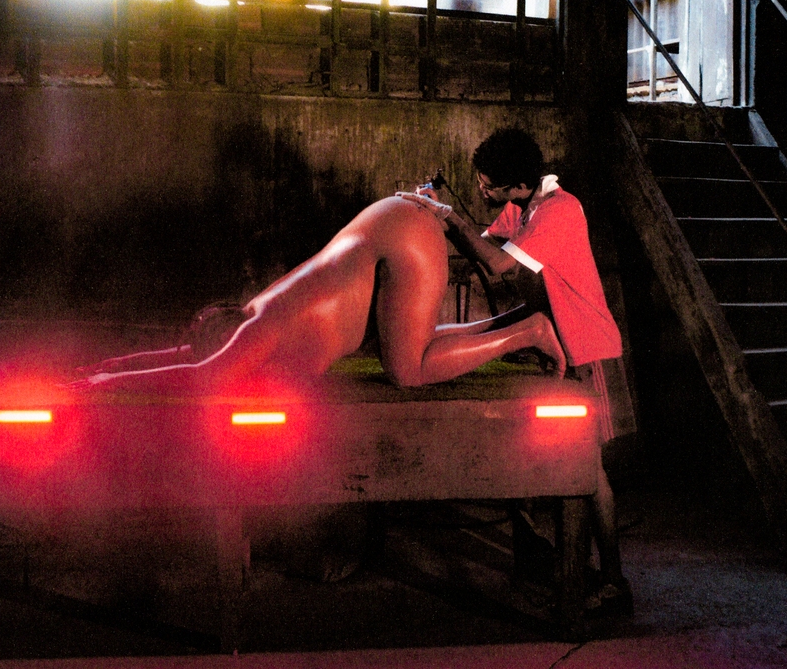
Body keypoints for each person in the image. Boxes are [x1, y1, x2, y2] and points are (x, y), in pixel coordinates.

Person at [399, 126, 632, 618]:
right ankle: (542, 557)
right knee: (545, 458)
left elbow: (498, 265)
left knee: (590, 472)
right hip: (554, 338)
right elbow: (480, 248)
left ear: (517, 185)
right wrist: (437, 215)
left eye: (488, 185)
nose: (482, 191)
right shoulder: (522, 208)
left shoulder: (559, 210)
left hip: (585, 345)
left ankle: (614, 583)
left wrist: (449, 217)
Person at [76, 194, 565, 393]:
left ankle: (527, 333)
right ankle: (509, 324)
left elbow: (200, 373)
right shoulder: (253, 314)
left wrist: (101, 384)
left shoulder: (258, 329)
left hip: (400, 235)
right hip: (391, 225)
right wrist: (111, 365)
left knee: (408, 371)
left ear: (231, 333)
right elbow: (189, 357)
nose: (206, 341)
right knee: (409, 345)